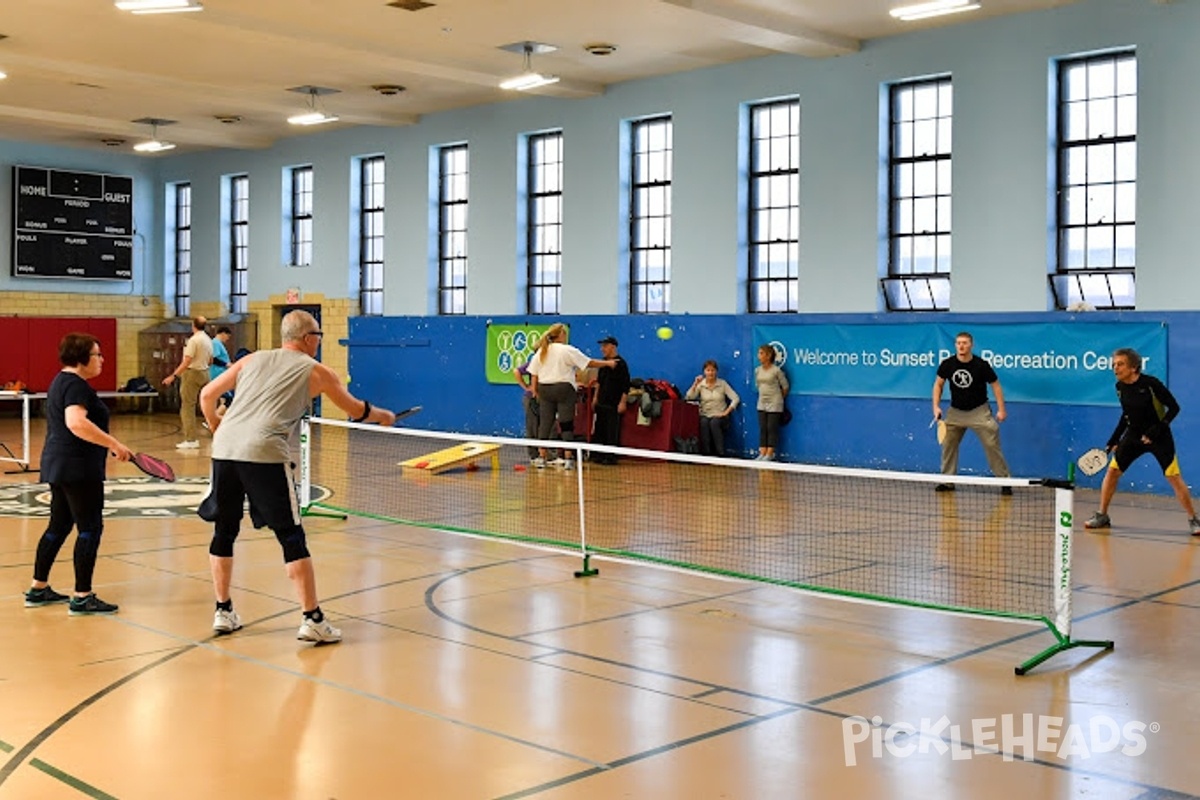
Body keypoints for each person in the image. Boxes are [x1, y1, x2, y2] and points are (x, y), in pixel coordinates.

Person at [197, 310, 397, 644]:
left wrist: (219, 429)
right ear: (307, 338)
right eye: (318, 334)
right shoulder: (316, 371)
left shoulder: (252, 360)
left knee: (224, 530)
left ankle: (223, 610)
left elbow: (207, 396)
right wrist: (383, 416)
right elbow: (354, 409)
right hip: (264, 453)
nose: (319, 341)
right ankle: (312, 618)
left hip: (225, 451)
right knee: (291, 536)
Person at [25, 333, 133, 614]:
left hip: (58, 465)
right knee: (89, 529)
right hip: (78, 469)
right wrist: (114, 443)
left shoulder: (60, 381)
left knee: (58, 526)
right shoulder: (76, 386)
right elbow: (76, 423)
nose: (102, 360)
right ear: (82, 358)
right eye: (97, 354)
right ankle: (82, 596)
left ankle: (38, 588)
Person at [1083, 348, 1200, 535]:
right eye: (1114, 364)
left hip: (1159, 437)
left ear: (1134, 367)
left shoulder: (1151, 385)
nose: (1115, 368)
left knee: (1173, 477)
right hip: (1133, 436)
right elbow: (1126, 415)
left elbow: (1174, 408)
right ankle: (1102, 515)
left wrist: (1156, 430)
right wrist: (1114, 439)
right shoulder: (1120, 387)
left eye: (1120, 364)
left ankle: (1194, 519)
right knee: (1112, 471)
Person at [932, 331, 1011, 493]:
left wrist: (1001, 410)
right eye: (958, 343)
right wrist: (936, 406)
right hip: (955, 412)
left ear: (971, 345)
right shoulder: (947, 364)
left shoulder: (981, 365)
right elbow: (938, 385)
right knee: (948, 444)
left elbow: (996, 385)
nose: (961, 346)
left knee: (991, 445)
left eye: (965, 343)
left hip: (979, 411)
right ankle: (947, 482)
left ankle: (1005, 482)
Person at [527, 323, 615, 469]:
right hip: (564, 389)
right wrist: (608, 363)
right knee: (566, 423)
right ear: (562, 335)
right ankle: (568, 459)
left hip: (545, 389)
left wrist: (535, 391)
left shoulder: (542, 351)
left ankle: (541, 457)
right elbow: (588, 363)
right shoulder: (567, 350)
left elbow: (534, 373)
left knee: (545, 424)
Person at [162, 315, 213, 449]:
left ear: (193, 325)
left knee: (187, 407)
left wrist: (173, 376)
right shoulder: (208, 339)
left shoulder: (194, 340)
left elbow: (187, 361)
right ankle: (216, 432)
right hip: (205, 373)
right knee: (208, 405)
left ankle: (191, 440)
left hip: (192, 373)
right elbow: (211, 360)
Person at [686, 359, 740, 457]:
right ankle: (707, 455)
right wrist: (695, 384)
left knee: (714, 422)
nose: (710, 373)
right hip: (705, 415)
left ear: (716, 371)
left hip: (720, 416)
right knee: (704, 422)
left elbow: (735, 398)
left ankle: (720, 454)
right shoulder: (700, 384)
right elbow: (689, 397)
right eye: (708, 370)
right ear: (704, 372)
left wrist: (726, 412)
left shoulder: (722, 384)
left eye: (713, 370)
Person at [591, 336, 631, 465]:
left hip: (614, 403)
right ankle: (598, 454)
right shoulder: (603, 363)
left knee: (612, 430)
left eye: (605, 346)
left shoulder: (621, 364)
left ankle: (610, 456)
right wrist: (595, 397)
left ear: (613, 346)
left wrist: (622, 402)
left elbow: (626, 385)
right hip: (602, 401)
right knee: (600, 429)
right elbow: (599, 383)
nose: (602, 349)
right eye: (601, 346)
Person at [754, 344, 789, 461]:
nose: (759, 356)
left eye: (761, 353)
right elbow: (758, 385)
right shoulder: (757, 370)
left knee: (771, 427)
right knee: (763, 427)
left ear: (768, 356)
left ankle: (770, 453)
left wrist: (778, 399)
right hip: (761, 402)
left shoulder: (776, 371)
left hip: (775, 402)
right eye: (759, 353)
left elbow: (785, 386)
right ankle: (762, 452)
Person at [511, 353, 540, 462]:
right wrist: (527, 388)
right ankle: (533, 455)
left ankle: (547, 455)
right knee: (532, 427)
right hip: (531, 399)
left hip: (545, 399)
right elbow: (516, 371)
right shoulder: (534, 363)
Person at [210, 325, 235, 413]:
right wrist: (226, 364)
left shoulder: (218, 344)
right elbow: (213, 359)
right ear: (223, 334)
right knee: (229, 400)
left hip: (221, 374)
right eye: (228, 336)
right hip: (218, 375)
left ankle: (221, 421)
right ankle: (213, 419)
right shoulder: (215, 343)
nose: (227, 339)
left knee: (223, 400)